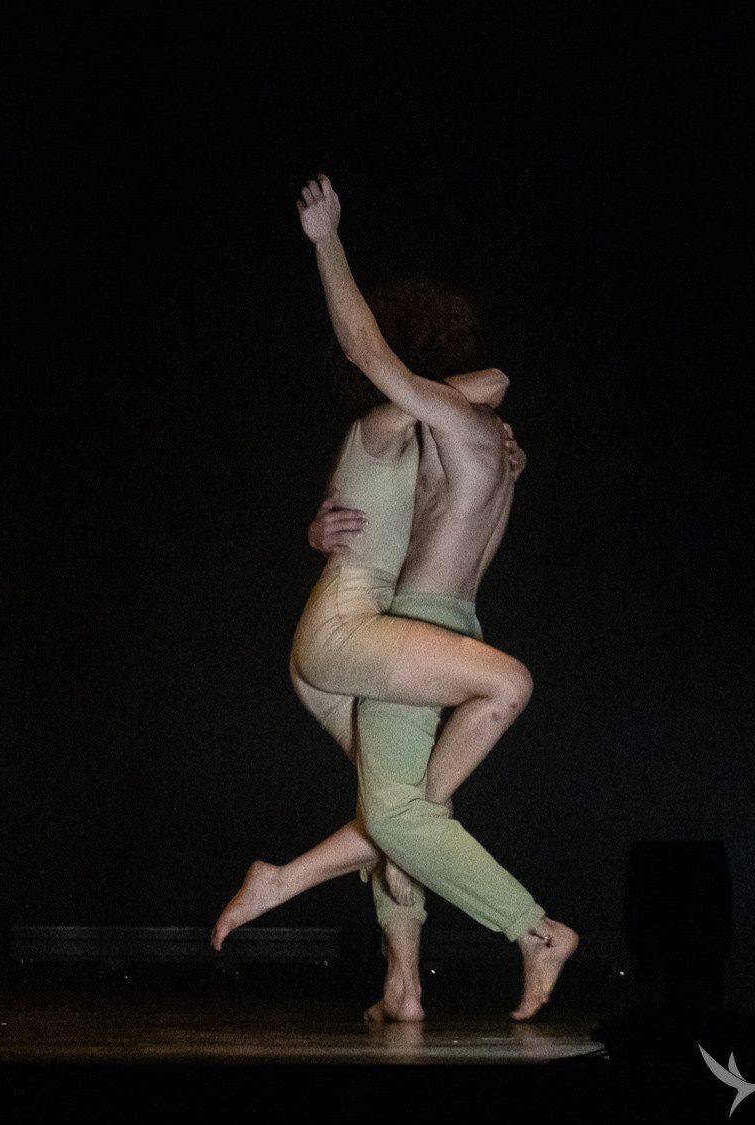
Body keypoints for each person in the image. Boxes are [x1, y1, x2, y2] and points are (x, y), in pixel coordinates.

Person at [213, 177, 576, 1022]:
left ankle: (404, 973)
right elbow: (463, 397)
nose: (407, 395)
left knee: (408, 812)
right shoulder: (451, 446)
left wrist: (325, 241)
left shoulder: (469, 432)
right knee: (410, 807)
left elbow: (378, 355)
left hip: (415, 633)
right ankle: (512, 934)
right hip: (403, 633)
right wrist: (319, 529)